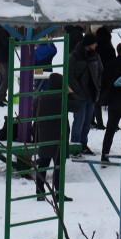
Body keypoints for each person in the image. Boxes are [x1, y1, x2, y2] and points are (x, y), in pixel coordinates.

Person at [34, 72, 71, 202]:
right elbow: (77, 106)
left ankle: (40, 191)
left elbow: (35, 113)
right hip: (59, 135)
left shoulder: (41, 97)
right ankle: (58, 193)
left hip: (44, 135)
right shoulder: (62, 98)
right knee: (59, 167)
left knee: (43, 164)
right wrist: (70, 93)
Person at [67, 32, 102, 155]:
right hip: (79, 96)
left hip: (91, 95)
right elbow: (69, 76)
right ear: (88, 44)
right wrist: (78, 90)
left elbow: (100, 72)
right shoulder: (73, 57)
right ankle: (75, 147)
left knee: (87, 123)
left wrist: (98, 87)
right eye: (94, 43)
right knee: (79, 122)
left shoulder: (95, 56)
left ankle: (83, 145)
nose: (96, 45)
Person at [91, 25, 115, 130]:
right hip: (109, 76)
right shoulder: (111, 49)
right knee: (110, 100)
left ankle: (98, 122)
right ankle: (112, 122)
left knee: (96, 100)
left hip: (96, 76)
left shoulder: (95, 49)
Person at [0, 26, 12, 106]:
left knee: (2, 77)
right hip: (4, 58)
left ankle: (2, 96)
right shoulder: (2, 32)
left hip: (0, 57)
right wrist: (14, 40)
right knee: (7, 78)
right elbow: (6, 42)